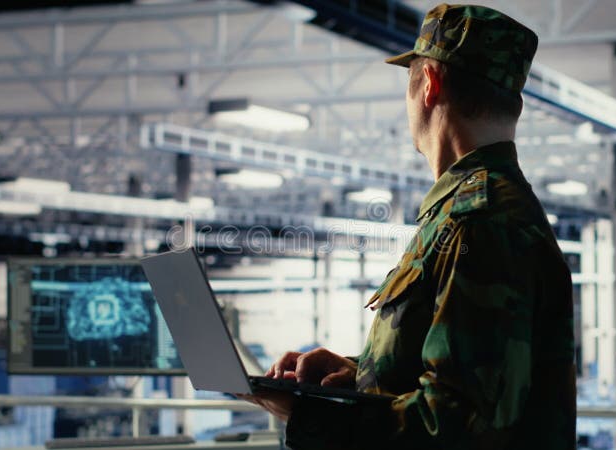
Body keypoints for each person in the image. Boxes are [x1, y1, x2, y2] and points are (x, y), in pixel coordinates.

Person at [241, 4, 576, 449]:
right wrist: (356, 374)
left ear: (430, 85)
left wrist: (309, 416)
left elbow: (455, 423)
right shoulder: (472, 212)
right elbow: (455, 372)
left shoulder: (478, 221)